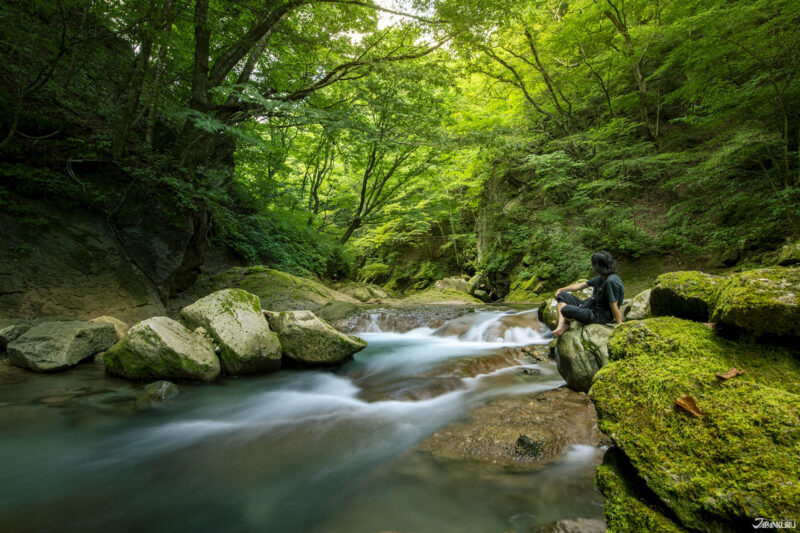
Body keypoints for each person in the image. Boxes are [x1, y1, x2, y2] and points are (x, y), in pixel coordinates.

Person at [552, 251, 625, 336]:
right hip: (590, 306)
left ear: (598, 266)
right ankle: (562, 323)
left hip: (599, 316)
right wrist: (561, 289)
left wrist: (620, 325)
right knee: (562, 295)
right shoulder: (601, 277)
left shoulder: (611, 281)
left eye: (593, 263)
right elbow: (581, 286)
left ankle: (564, 322)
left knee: (565, 309)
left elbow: (613, 304)